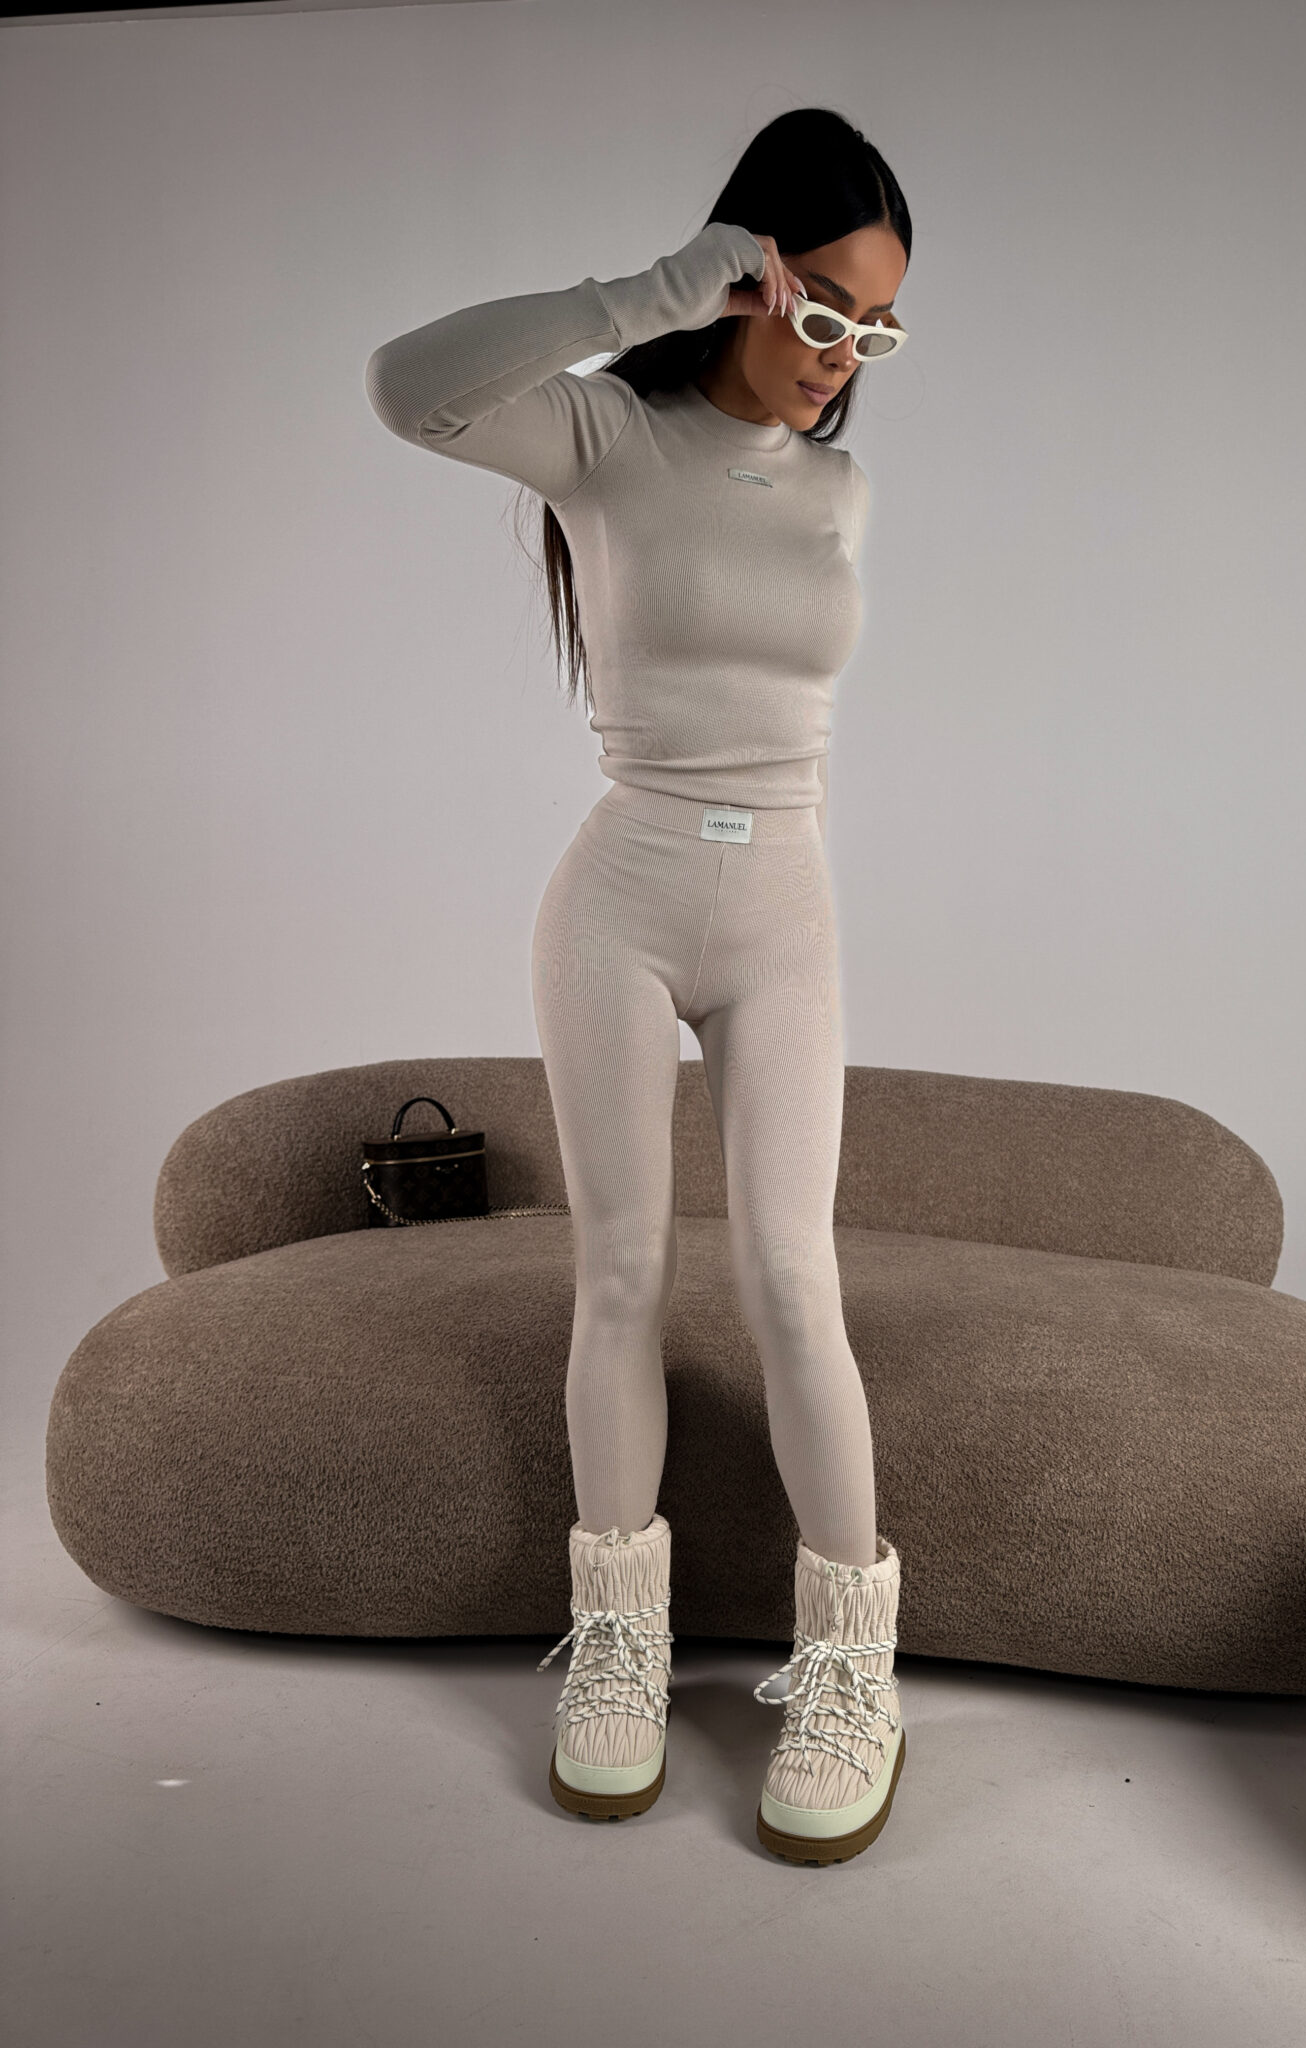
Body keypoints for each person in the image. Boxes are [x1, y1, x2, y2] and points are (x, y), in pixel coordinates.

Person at [365, 107, 912, 1865]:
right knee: (620, 1270)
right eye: (819, 308)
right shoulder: (604, 434)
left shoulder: (841, 486)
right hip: (621, 896)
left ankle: (854, 1667)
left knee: (790, 1277)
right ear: (747, 273)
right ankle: (617, 1641)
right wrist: (649, 292)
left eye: (875, 327)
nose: (840, 357)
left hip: (785, 907)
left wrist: (788, 339)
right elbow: (406, 387)